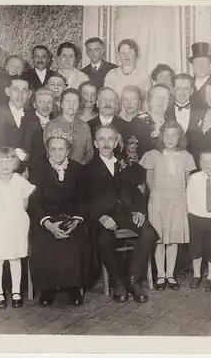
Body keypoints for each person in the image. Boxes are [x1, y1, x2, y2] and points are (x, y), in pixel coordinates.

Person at [85, 125, 159, 303]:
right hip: (103, 218)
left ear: (117, 142)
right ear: (95, 143)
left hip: (127, 214)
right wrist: (100, 216)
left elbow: (137, 192)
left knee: (148, 233)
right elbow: (84, 199)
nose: (106, 143)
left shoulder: (126, 164)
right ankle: (117, 281)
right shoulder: (87, 170)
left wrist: (140, 211)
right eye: (101, 139)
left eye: (110, 139)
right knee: (103, 240)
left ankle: (133, 280)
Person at [28, 129, 89, 306]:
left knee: (75, 241)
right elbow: (34, 201)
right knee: (45, 241)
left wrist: (76, 220)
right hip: (46, 218)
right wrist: (47, 224)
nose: (57, 153)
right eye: (53, 149)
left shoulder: (77, 169)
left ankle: (72, 287)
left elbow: (83, 199)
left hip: (71, 218)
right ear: (48, 151)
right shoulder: (38, 169)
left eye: (61, 149)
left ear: (68, 150)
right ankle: (48, 288)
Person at [140, 121, 196, 291]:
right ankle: (161, 275)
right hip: (158, 200)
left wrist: (184, 200)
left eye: (175, 135)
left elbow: (188, 181)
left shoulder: (186, 156)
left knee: (173, 239)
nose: (171, 139)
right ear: (161, 136)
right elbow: (149, 180)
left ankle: (170, 274)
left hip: (178, 200)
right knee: (159, 239)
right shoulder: (152, 155)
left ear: (180, 137)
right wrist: (159, 196)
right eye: (167, 135)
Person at [0, 147, 36, 310]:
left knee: (15, 258)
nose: (4, 165)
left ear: (15, 163)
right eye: (0, 161)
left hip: (15, 224)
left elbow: (25, 202)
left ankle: (16, 292)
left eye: (9, 161)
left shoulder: (20, 181)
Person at [186, 150, 211, 291]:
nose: (208, 164)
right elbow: (188, 198)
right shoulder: (194, 178)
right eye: (204, 161)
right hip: (196, 217)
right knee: (196, 247)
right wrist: (191, 214)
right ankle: (196, 275)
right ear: (199, 163)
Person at [43, 88, 94, 165]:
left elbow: (89, 153)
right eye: (68, 101)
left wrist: (79, 167)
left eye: (74, 102)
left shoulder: (84, 126)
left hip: (79, 171)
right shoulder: (51, 125)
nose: (71, 105)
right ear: (62, 104)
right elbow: (47, 152)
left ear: (78, 105)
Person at [126, 84, 170, 162]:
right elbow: (131, 154)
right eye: (158, 98)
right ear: (149, 100)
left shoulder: (171, 123)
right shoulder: (138, 122)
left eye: (165, 98)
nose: (162, 101)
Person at [165, 73, 204, 150]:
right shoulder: (165, 113)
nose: (182, 93)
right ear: (172, 90)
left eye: (186, 88)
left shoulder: (202, 113)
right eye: (179, 88)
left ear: (192, 91)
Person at [88, 87, 129, 156]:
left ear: (116, 104)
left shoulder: (126, 127)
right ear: (97, 103)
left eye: (111, 100)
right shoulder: (87, 126)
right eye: (104, 100)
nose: (108, 104)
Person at [188, 42, 211, 111]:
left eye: (204, 62)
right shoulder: (187, 85)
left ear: (210, 66)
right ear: (193, 65)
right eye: (197, 63)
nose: (200, 66)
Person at [30, 88, 55, 159]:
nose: (46, 106)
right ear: (34, 104)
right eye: (42, 102)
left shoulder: (56, 122)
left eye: (49, 102)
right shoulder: (26, 121)